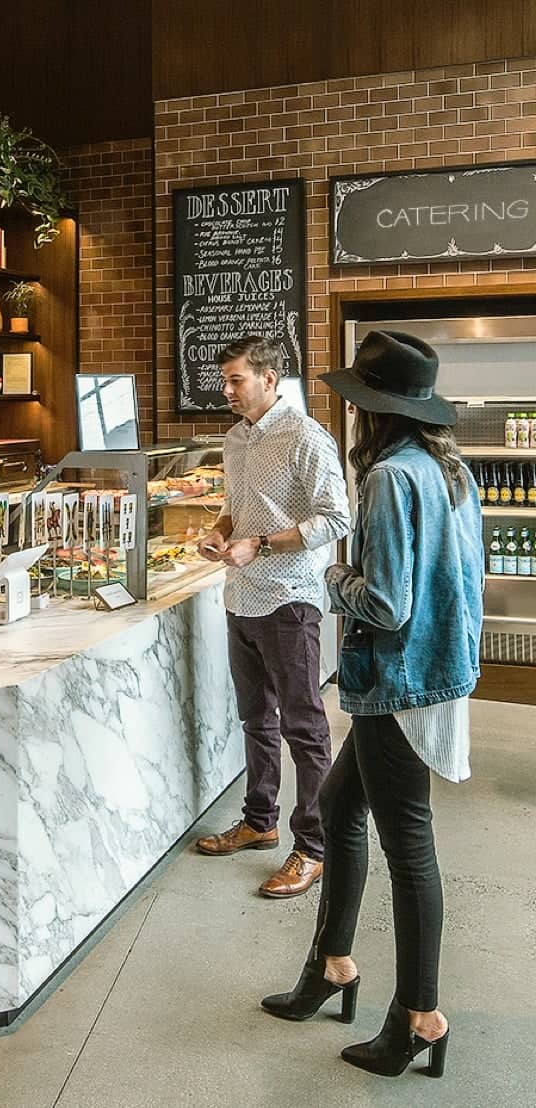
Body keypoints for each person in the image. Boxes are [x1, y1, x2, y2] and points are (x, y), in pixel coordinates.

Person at [260, 330, 484, 1079]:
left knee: (409, 849)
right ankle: (331, 965)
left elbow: (385, 604)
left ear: (372, 411)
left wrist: (332, 578)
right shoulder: (449, 471)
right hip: (435, 672)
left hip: (397, 680)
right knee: (334, 806)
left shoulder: (390, 479)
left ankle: (420, 1015)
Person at [196, 336, 350, 897]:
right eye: (225, 380)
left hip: (289, 600)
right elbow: (235, 505)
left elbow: (336, 519)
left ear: (269, 378)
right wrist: (220, 530)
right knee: (256, 720)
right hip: (240, 596)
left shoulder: (306, 436)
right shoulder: (235, 439)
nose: (227, 390)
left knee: (304, 728)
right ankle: (260, 821)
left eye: (236, 380)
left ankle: (314, 847)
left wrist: (258, 543)